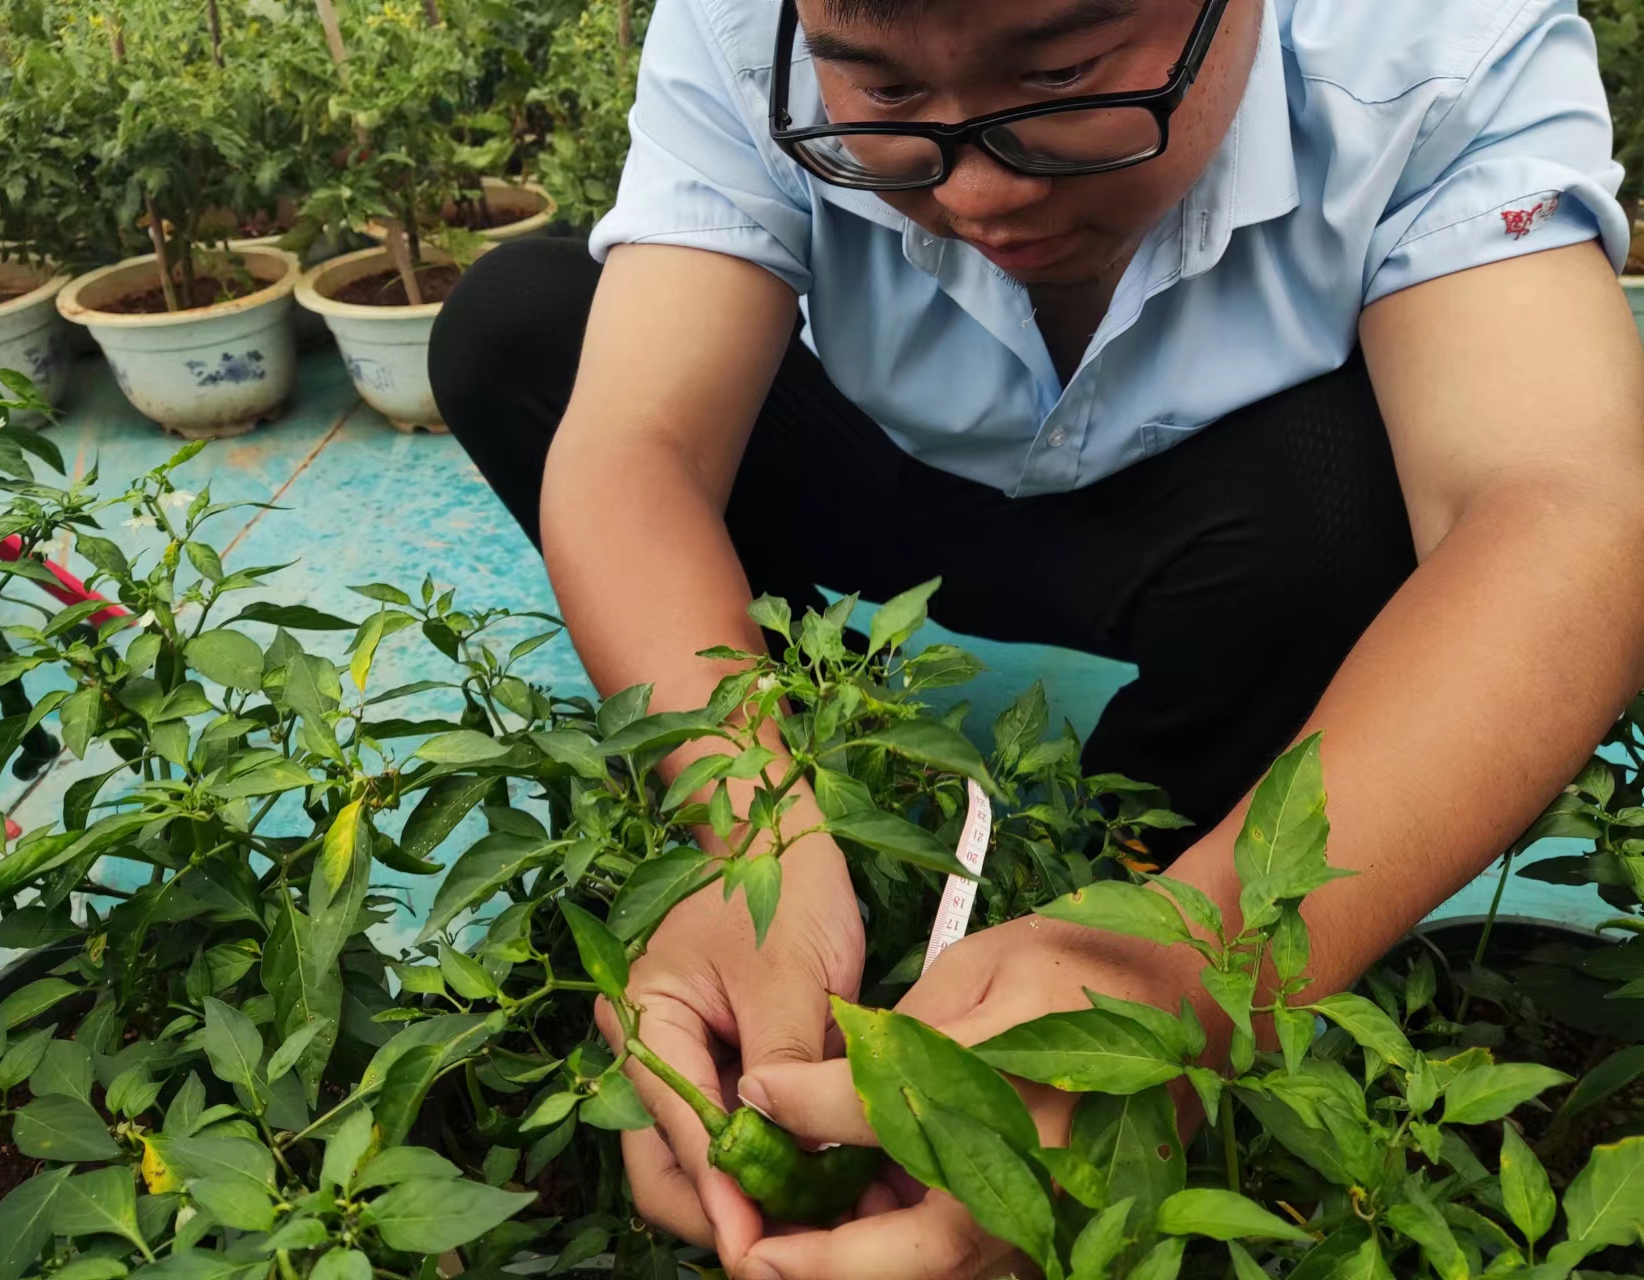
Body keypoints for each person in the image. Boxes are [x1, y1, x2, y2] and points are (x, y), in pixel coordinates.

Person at [429, 0, 1644, 1274]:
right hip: (887, 483)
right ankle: (823, 761)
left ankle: (1144, 868)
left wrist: (1189, 963)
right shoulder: (745, 21)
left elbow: (1572, 508)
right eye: (883, 96)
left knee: (1353, 509)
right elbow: (640, 443)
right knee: (526, 326)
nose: (981, 191)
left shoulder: (1430, 34)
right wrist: (748, 829)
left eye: (1061, 78)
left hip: (1225, 523)